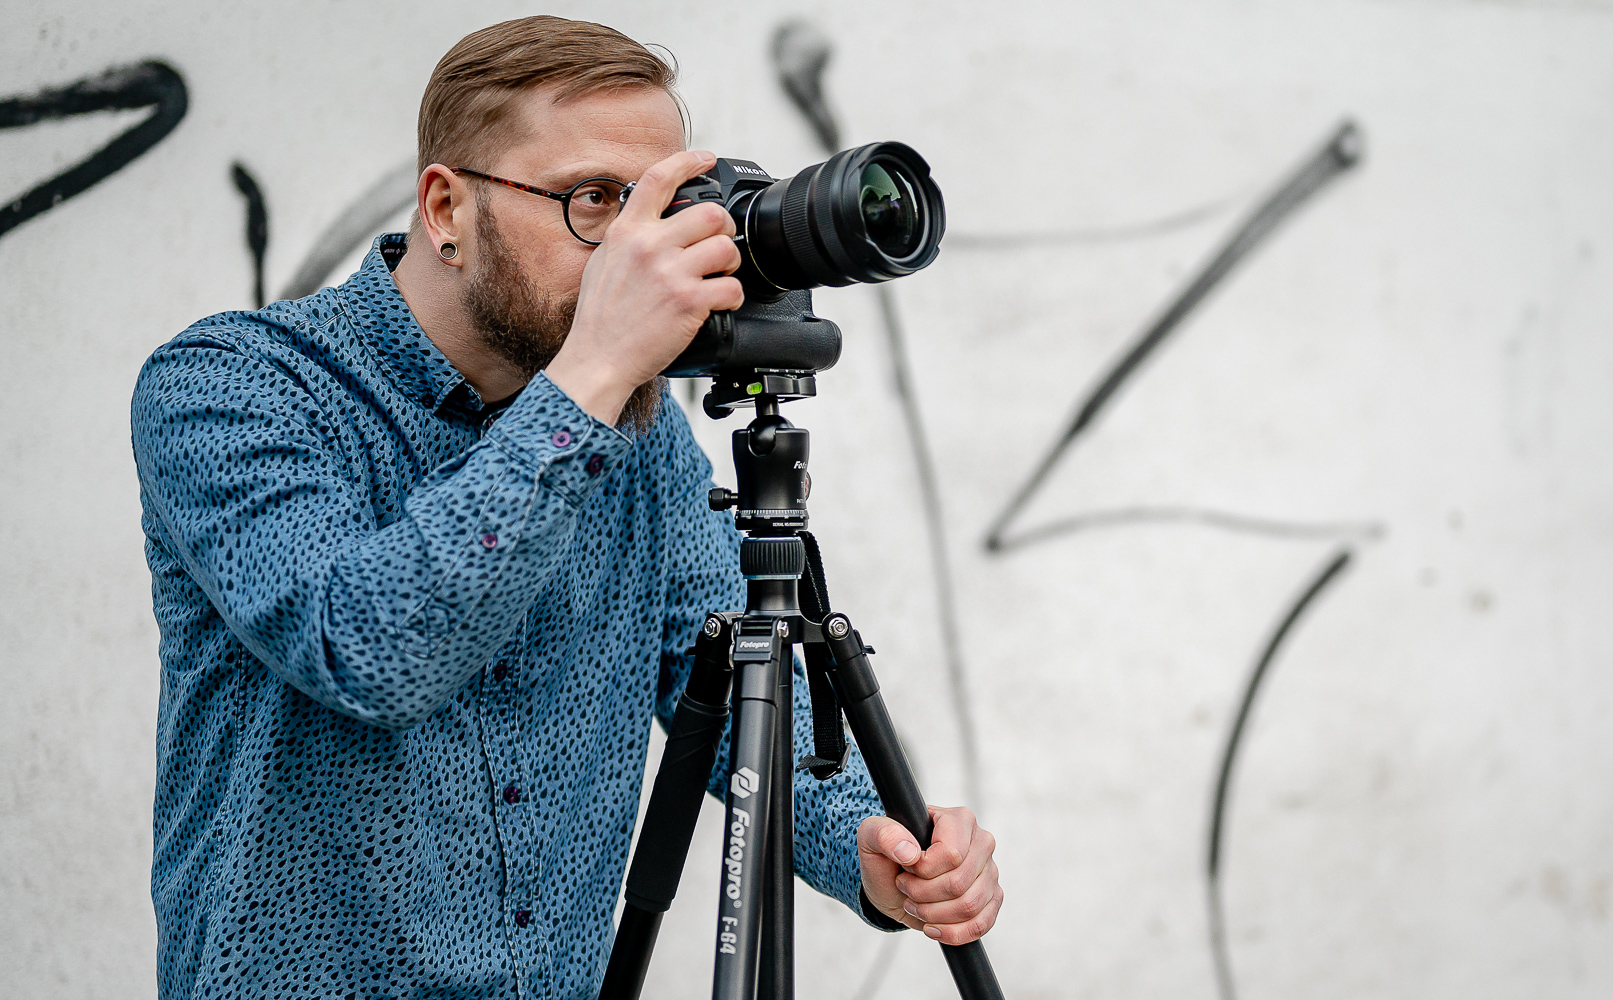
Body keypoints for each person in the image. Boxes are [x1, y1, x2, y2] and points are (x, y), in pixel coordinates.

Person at [130, 16, 1000, 998]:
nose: (638, 247)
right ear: (446, 208)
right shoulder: (231, 386)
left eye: (661, 203)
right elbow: (367, 648)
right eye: (595, 201)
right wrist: (592, 372)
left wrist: (870, 847)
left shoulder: (632, 429)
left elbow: (728, 674)